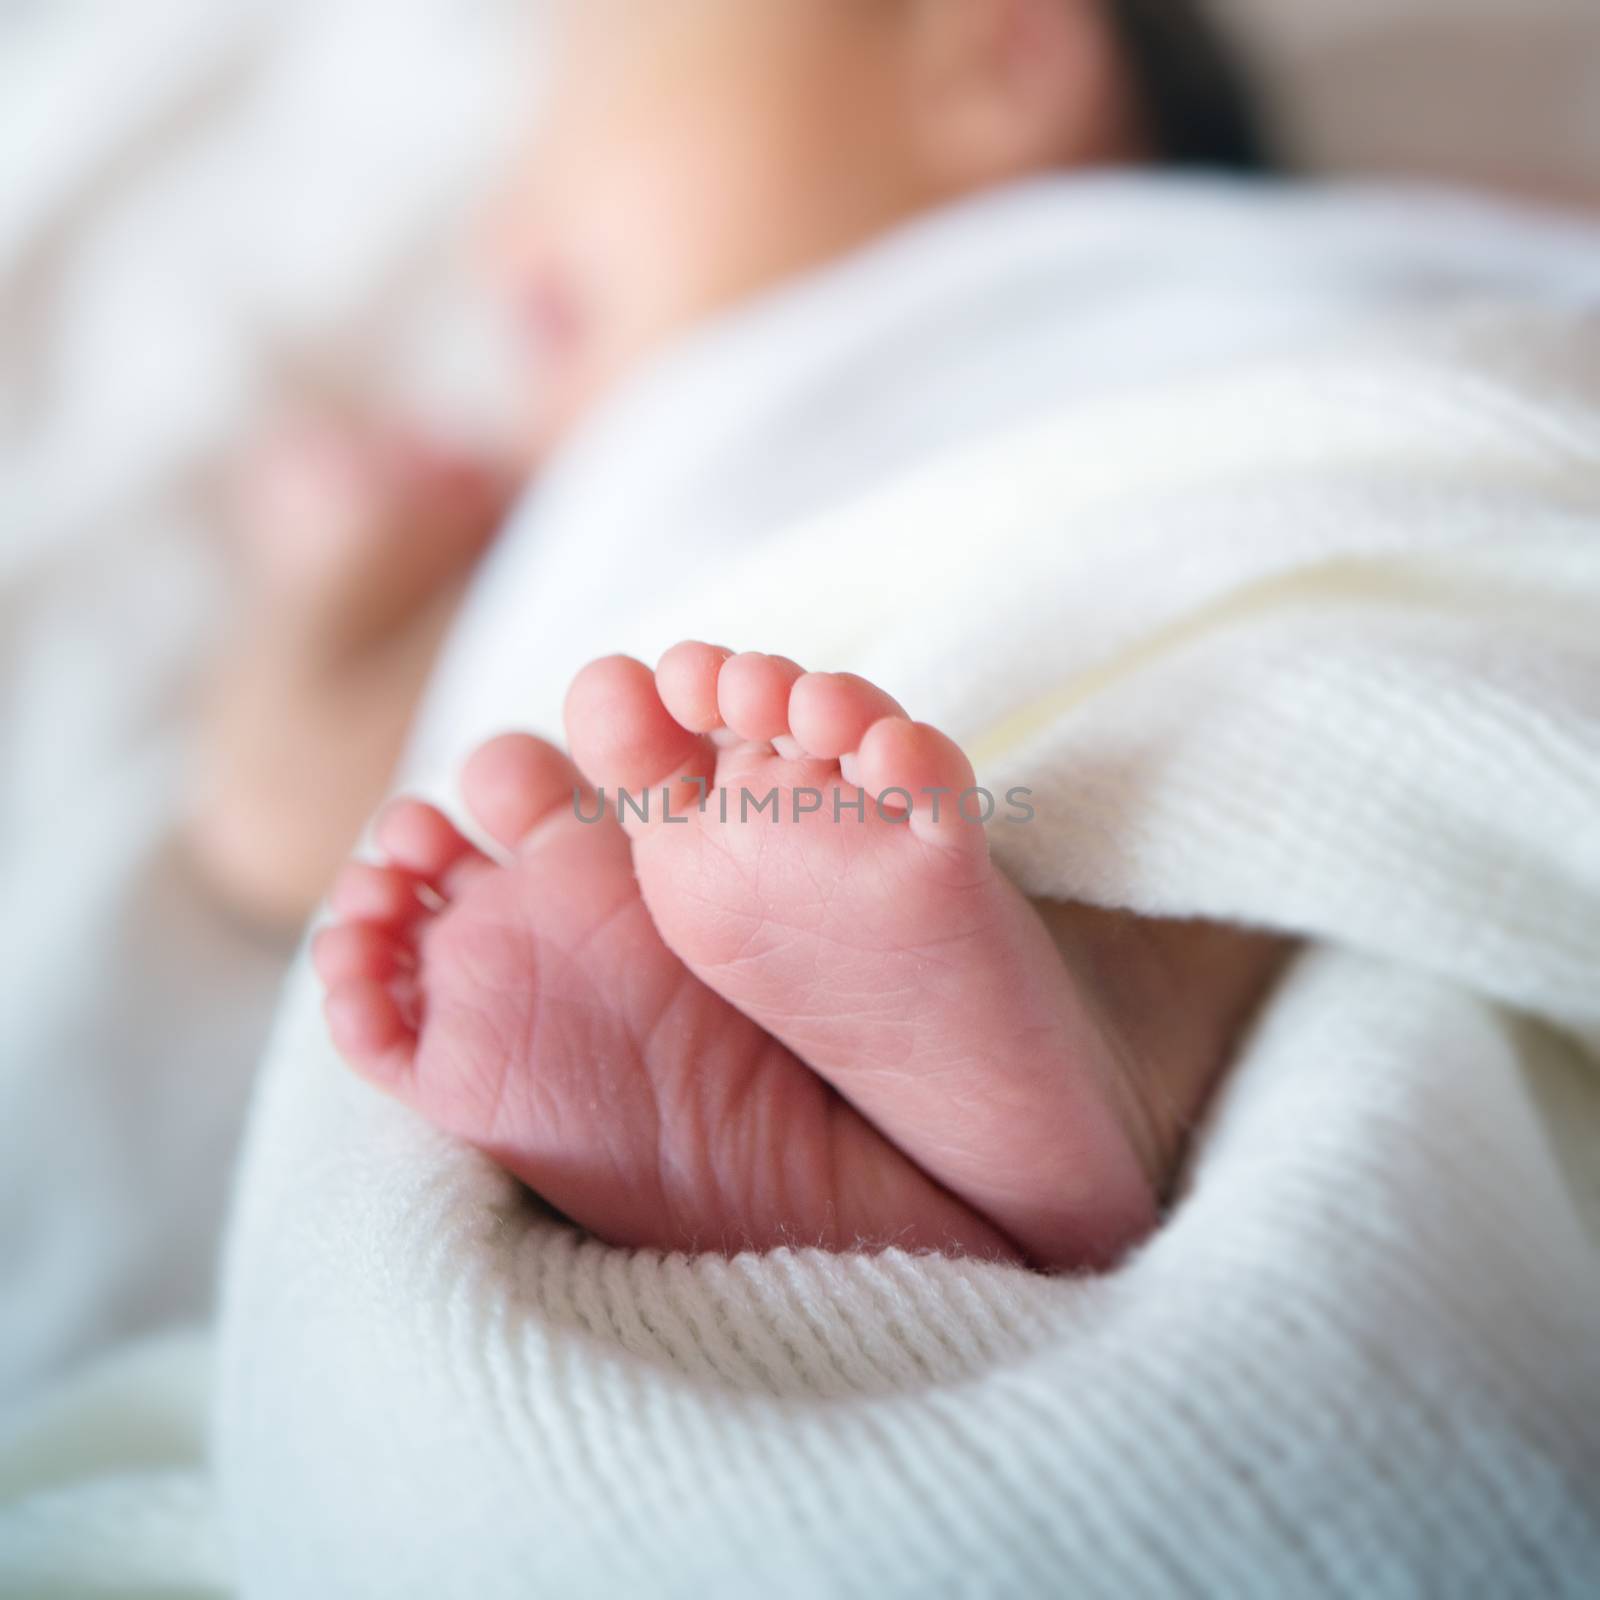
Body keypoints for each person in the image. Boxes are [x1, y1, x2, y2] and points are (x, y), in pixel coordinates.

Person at [199, 0, 1291, 1268]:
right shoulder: (616, 488)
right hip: (1129, 664)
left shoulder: (1303, 278)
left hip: (1240, 550)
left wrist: (334, 589)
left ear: (995, 58)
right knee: (1214, 790)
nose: (494, 229)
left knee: (1237, 767)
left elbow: (278, 808)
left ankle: (1047, 1060)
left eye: (590, 73)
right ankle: (1029, 1054)